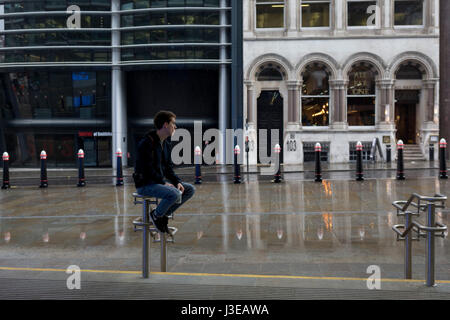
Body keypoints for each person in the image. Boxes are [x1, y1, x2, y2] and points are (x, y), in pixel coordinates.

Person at [133, 110, 195, 234]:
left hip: (158, 182)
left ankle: (163, 215)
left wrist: (176, 181)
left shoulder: (165, 142)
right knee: (175, 194)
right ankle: (156, 216)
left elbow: (168, 167)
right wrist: (163, 182)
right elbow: (147, 169)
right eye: (173, 123)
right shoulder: (147, 143)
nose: (175, 127)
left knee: (189, 189)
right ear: (165, 125)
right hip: (146, 184)